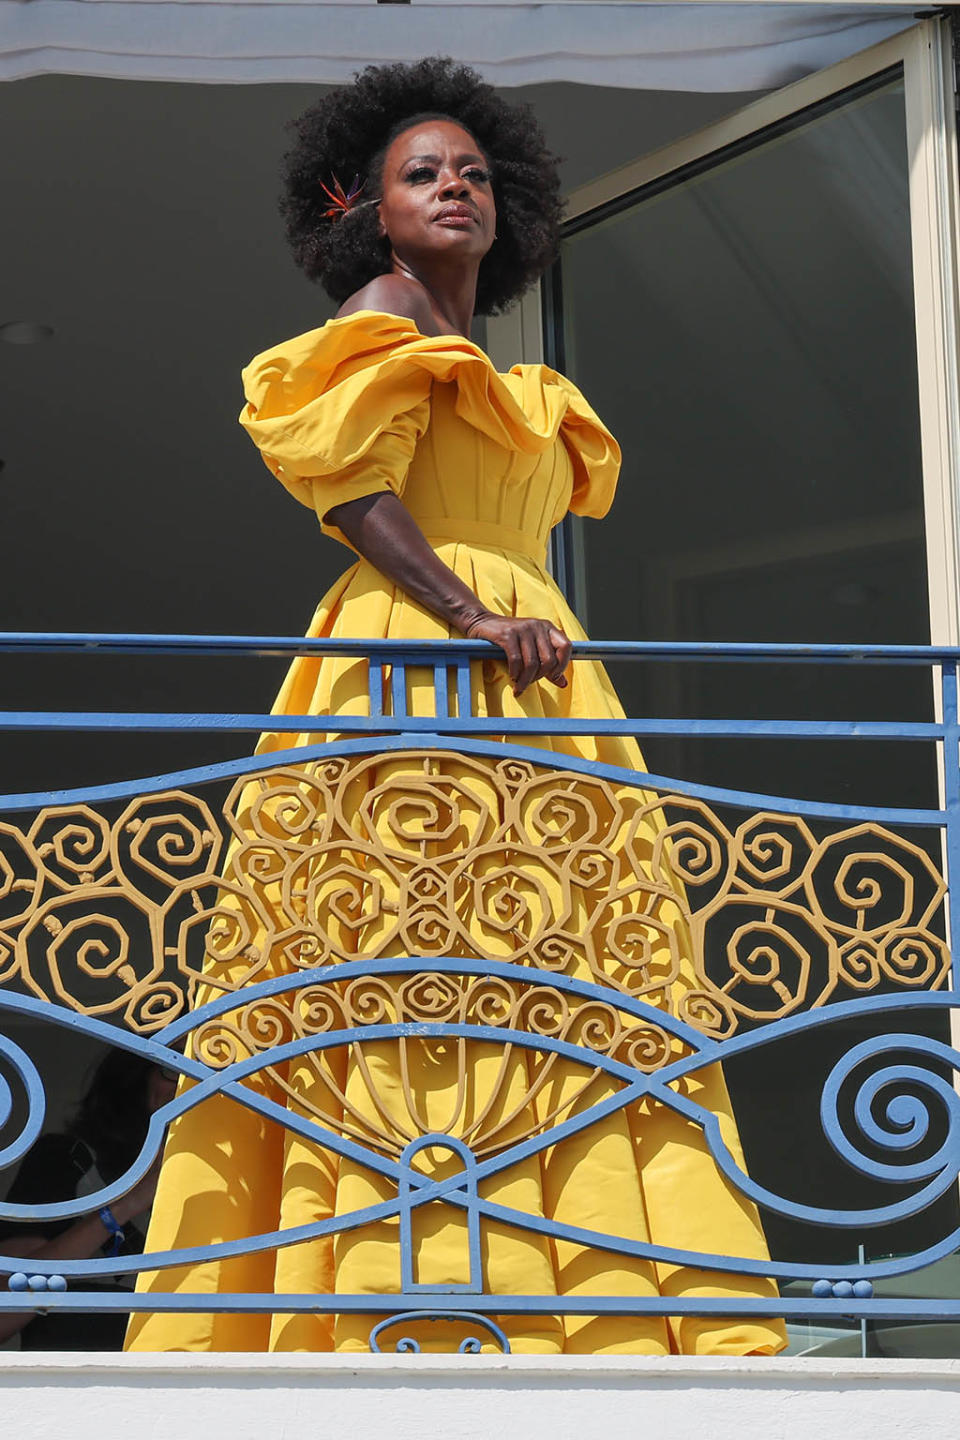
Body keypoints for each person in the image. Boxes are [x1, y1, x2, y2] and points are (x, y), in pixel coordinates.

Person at [126, 56, 786, 1357]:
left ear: (510, 205)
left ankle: (558, 1277)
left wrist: (499, 619)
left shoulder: (490, 355)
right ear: (369, 208)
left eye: (474, 174)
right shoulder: (382, 315)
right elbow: (350, 493)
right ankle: (389, 1273)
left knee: (553, 964)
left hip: (534, 682)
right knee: (406, 954)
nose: (453, 189)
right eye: (422, 174)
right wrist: (468, 612)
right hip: (417, 659)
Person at [0, 1051, 175, 1348]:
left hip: (187, 1373)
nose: (186, 1084)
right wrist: (127, 1204)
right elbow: (6, 1310)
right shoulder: (70, 1159)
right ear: (135, 1076)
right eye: (170, 1068)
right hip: (74, 1380)